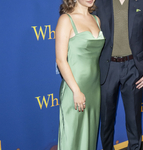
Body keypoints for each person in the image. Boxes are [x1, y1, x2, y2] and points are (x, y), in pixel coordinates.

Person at [93, 0, 143, 149]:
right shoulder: (98, 2)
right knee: (106, 120)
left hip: (134, 68)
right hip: (107, 68)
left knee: (134, 120)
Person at [55, 0, 105, 149]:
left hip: (94, 87)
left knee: (89, 134)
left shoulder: (96, 19)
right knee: (72, 137)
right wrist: (76, 90)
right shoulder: (66, 19)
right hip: (74, 87)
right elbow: (61, 60)